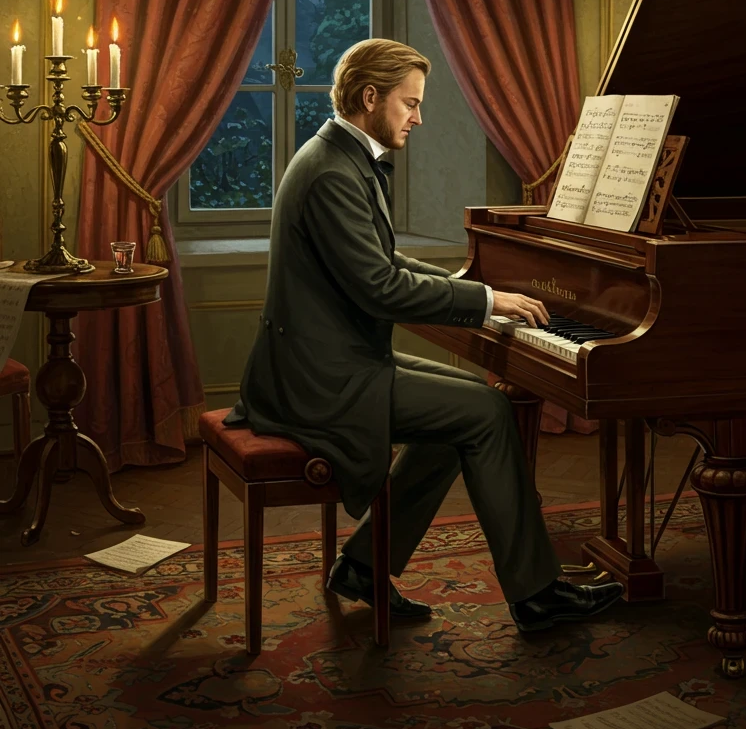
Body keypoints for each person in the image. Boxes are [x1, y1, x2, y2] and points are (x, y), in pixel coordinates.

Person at [226, 38, 623, 631]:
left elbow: (383, 265)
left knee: (467, 413)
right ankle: (536, 595)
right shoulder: (334, 172)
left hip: (325, 364)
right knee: (485, 413)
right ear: (370, 97)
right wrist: (486, 300)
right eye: (409, 104)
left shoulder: (337, 156)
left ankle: (364, 566)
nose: (419, 117)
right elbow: (381, 288)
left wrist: (476, 291)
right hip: (321, 382)